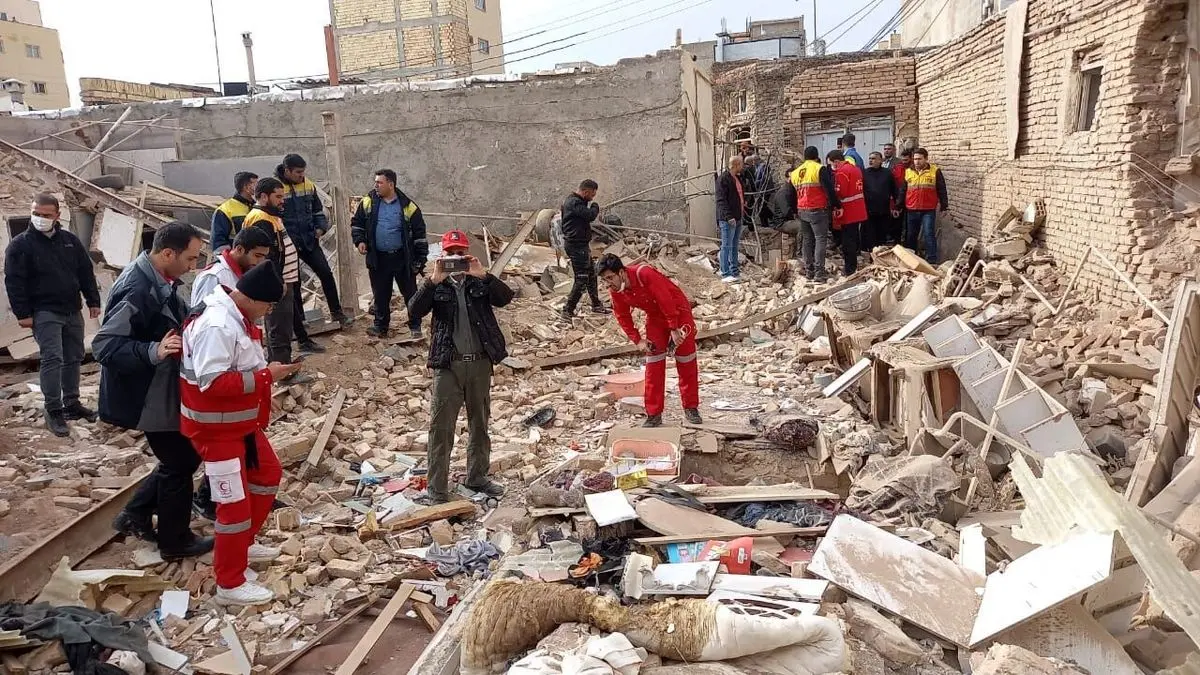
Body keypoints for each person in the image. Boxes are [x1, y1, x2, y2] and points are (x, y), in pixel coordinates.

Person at [180, 260, 296, 605]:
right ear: (255, 299)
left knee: (267, 475)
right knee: (233, 506)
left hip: (238, 425)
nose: (269, 313)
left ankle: (243, 544)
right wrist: (266, 378)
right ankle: (230, 582)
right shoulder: (218, 325)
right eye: (269, 306)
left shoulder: (235, 316)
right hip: (216, 430)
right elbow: (211, 382)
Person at [98, 222, 213, 560]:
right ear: (167, 253)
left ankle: (134, 515)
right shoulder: (136, 288)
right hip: (144, 394)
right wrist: (154, 351)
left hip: (158, 389)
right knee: (180, 460)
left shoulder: (158, 278)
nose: (193, 267)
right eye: (190, 259)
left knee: (180, 456)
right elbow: (105, 345)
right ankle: (175, 542)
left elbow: (171, 316)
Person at [408, 230, 514, 504]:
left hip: (479, 363)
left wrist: (483, 275)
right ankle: (437, 490)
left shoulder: (478, 283)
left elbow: (505, 297)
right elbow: (414, 311)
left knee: (480, 425)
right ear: (442, 255)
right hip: (449, 366)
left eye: (460, 253)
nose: (455, 258)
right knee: (441, 428)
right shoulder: (437, 285)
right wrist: (433, 281)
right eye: (451, 253)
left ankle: (477, 477)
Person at [4, 193, 101, 437]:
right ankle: (53, 409)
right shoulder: (21, 245)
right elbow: (14, 282)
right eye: (36, 214)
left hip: (71, 309)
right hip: (44, 311)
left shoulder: (69, 241)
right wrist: (23, 314)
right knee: (52, 358)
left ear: (57, 216)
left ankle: (72, 403)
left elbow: (84, 271)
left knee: (74, 356)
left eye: (46, 215)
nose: (40, 219)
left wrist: (93, 300)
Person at [596, 254, 701, 428]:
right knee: (653, 362)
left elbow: (665, 300)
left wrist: (674, 329)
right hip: (655, 317)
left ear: (621, 272)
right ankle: (654, 414)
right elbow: (622, 315)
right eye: (604, 279)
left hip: (677, 311)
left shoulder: (644, 274)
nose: (608, 283)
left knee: (686, 358)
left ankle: (691, 407)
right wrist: (638, 340)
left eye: (610, 277)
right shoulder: (616, 291)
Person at [244, 177, 316, 382]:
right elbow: (269, 256)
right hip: (279, 282)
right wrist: (278, 282)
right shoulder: (262, 220)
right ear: (264, 196)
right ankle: (283, 374)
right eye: (278, 197)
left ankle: (277, 364)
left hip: (283, 279)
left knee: (280, 325)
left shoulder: (269, 216)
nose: (282, 200)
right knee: (279, 327)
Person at [351, 169, 430, 338]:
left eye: (379, 182)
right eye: (376, 182)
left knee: (410, 293)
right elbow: (357, 223)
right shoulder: (368, 202)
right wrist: (360, 241)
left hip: (402, 258)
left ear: (391, 184)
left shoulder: (408, 206)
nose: (376, 185)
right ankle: (380, 326)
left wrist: (420, 260)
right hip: (378, 258)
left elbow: (419, 235)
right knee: (380, 294)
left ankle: (415, 326)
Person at [275, 154, 348, 326]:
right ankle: (300, 322)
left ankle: (337, 314)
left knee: (326, 274)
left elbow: (317, 210)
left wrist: (320, 227)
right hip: (288, 244)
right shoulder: (276, 189)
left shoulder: (308, 185)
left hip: (309, 240)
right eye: (298, 172)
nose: (302, 175)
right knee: (295, 283)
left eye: (303, 171)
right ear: (287, 171)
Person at [558, 179, 610, 320]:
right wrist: (595, 206)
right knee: (581, 278)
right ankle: (568, 310)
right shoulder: (574, 202)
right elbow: (590, 215)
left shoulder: (575, 202)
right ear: (586, 191)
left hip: (581, 245)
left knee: (591, 274)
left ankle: (596, 305)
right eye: (592, 195)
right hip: (576, 246)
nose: (592, 198)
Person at [788, 146, 840, 281]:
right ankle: (819, 272)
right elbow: (829, 190)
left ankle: (809, 270)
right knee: (820, 239)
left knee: (807, 240)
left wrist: (795, 211)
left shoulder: (795, 173)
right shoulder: (819, 168)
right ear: (816, 157)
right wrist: (836, 205)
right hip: (817, 209)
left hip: (802, 210)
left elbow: (792, 195)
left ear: (804, 157)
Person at [192, 227, 273, 303]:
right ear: (240, 250)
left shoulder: (245, 273)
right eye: (257, 256)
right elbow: (201, 315)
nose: (261, 261)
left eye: (264, 257)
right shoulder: (215, 276)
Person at [899, 148, 949, 264]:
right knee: (911, 235)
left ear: (926, 159)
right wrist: (898, 206)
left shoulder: (935, 171)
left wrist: (944, 206)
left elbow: (941, 189)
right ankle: (911, 259)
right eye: (915, 159)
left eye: (919, 159)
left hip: (928, 210)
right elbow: (903, 190)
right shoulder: (908, 171)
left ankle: (931, 260)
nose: (916, 162)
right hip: (911, 209)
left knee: (928, 234)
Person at [828, 150, 868, 276]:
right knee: (854, 237)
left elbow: (841, 193)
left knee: (847, 242)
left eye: (832, 165)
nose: (832, 168)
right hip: (858, 209)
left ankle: (850, 269)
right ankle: (855, 263)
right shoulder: (855, 169)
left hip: (848, 211)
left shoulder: (842, 172)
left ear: (836, 161)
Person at [715, 156, 745, 283]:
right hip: (728, 219)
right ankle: (725, 273)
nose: (742, 166)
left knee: (734, 246)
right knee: (726, 245)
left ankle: (734, 271)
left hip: (738, 217)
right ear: (736, 165)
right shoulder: (723, 179)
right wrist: (729, 217)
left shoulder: (737, 178)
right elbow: (721, 201)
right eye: (741, 164)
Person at [211, 172, 258, 252]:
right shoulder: (224, 210)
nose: (259, 188)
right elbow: (219, 243)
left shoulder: (257, 207)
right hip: (237, 260)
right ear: (246, 187)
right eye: (256, 184)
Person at [863, 152, 900, 249]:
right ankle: (871, 253)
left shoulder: (887, 173)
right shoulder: (865, 173)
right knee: (870, 234)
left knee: (882, 234)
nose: (871, 160)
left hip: (883, 209)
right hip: (869, 210)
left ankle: (880, 252)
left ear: (880, 160)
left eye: (874, 158)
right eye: (870, 158)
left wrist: (897, 206)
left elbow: (894, 190)